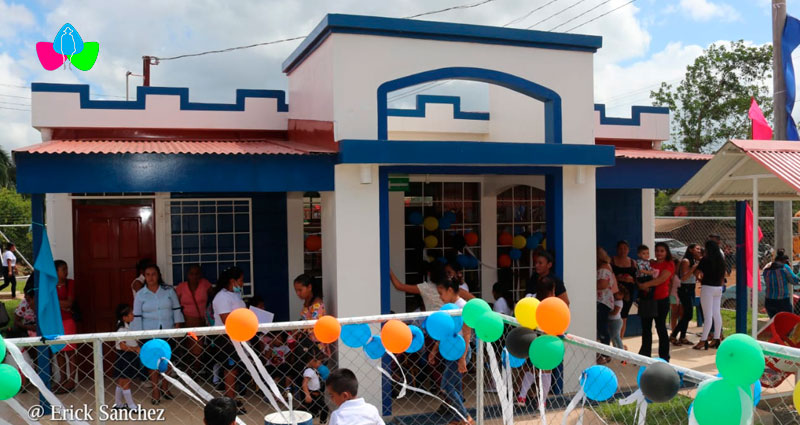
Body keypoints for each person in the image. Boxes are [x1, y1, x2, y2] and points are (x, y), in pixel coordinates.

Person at [132, 264, 184, 404]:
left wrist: (177, 328)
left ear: (158, 275)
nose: (151, 277)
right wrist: (138, 335)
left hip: (167, 330)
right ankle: (156, 390)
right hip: (149, 332)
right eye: (147, 274)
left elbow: (176, 309)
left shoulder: (168, 291)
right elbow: (137, 316)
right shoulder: (141, 295)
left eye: (153, 274)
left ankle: (165, 387)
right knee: (152, 362)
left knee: (167, 361)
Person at [431, 277, 474, 425]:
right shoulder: (448, 308)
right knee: (455, 385)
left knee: (447, 386)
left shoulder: (462, 306)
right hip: (450, 351)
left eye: (441, 292)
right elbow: (443, 331)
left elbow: (467, 333)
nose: (440, 297)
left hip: (460, 352)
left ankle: (465, 417)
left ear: (450, 290)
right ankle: (459, 417)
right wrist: (434, 350)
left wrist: (463, 358)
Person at [210, 266, 247, 413]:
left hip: (237, 336)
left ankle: (231, 398)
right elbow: (227, 319)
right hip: (226, 338)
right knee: (230, 369)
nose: (243, 284)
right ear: (233, 281)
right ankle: (230, 403)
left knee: (235, 368)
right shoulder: (222, 297)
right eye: (241, 280)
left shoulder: (235, 295)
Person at [637, 242, 674, 362]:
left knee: (660, 327)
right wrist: (640, 284)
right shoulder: (650, 263)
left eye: (662, 251)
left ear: (666, 252)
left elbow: (661, 279)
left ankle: (664, 356)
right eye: (657, 250)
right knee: (646, 328)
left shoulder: (669, 264)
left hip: (661, 300)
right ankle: (644, 355)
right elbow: (639, 274)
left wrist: (645, 285)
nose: (659, 253)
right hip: (647, 300)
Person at [389, 263, 473, 312]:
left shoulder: (425, 288)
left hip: (433, 326)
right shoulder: (451, 287)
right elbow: (474, 300)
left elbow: (399, 286)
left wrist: (389, 270)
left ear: (429, 274)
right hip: (451, 324)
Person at [174, 264, 212, 373]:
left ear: (200, 274)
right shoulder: (181, 287)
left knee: (198, 349)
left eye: (196, 274)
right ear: (187, 275)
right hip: (185, 323)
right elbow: (175, 305)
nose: (194, 276)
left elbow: (214, 298)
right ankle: (189, 370)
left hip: (200, 322)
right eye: (191, 274)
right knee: (186, 348)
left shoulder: (205, 284)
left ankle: (196, 370)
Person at [693, 240, 726, 350]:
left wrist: (699, 278)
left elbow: (697, 272)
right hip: (718, 288)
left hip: (707, 287)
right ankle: (717, 338)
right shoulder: (721, 260)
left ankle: (703, 340)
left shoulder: (705, 260)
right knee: (717, 313)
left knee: (707, 316)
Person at [53, 260, 78, 394]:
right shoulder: (51, 285)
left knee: (70, 351)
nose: (66, 272)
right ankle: (63, 378)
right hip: (56, 321)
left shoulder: (70, 283)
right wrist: (62, 304)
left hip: (68, 321)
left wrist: (56, 302)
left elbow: (69, 302)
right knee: (59, 351)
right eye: (63, 269)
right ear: (55, 271)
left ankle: (71, 381)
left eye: (66, 268)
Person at [670, 244, 701, 346]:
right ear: (691, 250)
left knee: (686, 315)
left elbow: (696, 276)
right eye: (697, 249)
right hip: (685, 289)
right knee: (688, 315)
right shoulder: (686, 261)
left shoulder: (694, 261)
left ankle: (682, 337)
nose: (699, 251)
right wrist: (693, 268)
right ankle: (674, 335)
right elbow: (683, 278)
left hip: (691, 288)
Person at [113, 303, 140, 410]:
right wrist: (136, 349)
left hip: (129, 356)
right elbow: (122, 346)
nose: (133, 315)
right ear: (124, 317)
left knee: (121, 381)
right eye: (131, 314)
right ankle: (131, 405)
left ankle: (118, 403)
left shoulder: (127, 328)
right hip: (125, 357)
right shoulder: (121, 330)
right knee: (126, 381)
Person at [610, 241, 638, 340]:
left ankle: (620, 340)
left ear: (628, 250)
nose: (623, 250)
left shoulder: (633, 263)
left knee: (623, 317)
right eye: (620, 248)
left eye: (625, 248)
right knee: (612, 316)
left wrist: (631, 280)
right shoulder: (611, 261)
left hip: (628, 294)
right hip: (614, 293)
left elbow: (637, 279)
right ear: (617, 249)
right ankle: (612, 340)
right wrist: (618, 279)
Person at [763, 250, 800, 318]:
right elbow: (794, 281)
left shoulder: (766, 270)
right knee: (789, 321)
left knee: (775, 322)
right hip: (782, 301)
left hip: (769, 301)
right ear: (784, 261)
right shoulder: (784, 267)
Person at [596, 248, 618, 348]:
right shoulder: (606, 266)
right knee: (601, 326)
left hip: (602, 301)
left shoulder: (604, 268)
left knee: (602, 327)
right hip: (603, 301)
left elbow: (603, 284)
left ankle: (605, 353)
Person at [302, 347, 329, 424]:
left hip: (317, 395)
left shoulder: (313, 369)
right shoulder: (308, 371)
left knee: (313, 412)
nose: (320, 364)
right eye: (319, 362)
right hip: (312, 395)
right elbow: (304, 384)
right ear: (312, 361)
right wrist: (307, 395)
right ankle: (322, 423)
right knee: (325, 409)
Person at [668, 258, 682, 332]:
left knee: (681, 313)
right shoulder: (671, 274)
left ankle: (679, 330)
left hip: (680, 296)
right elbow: (669, 285)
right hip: (673, 295)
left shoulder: (680, 274)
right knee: (674, 314)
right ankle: (674, 331)